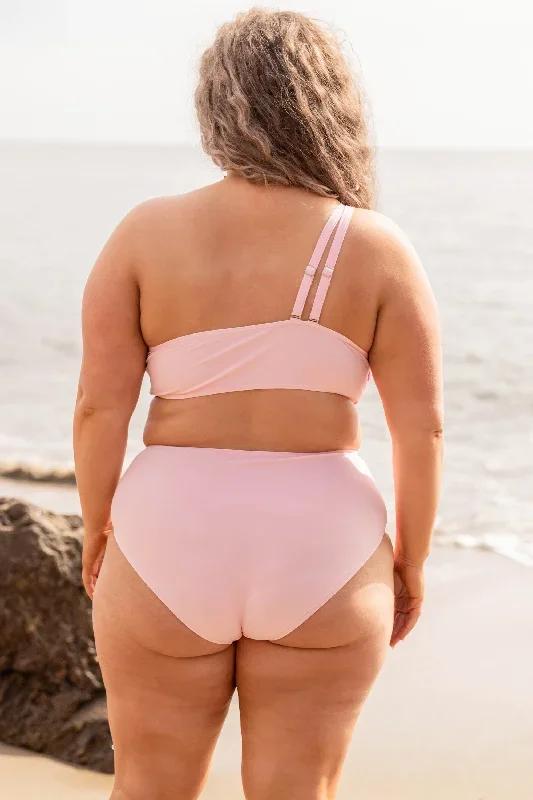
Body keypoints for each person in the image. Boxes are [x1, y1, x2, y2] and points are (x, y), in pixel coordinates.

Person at [73, 8, 443, 800]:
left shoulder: (144, 233)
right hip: (323, 542)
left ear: (215, 105)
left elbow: (99, 412)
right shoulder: (375, 245)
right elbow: (420, 429)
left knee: (150, 784)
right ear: (331, 106)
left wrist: (97, 527)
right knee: (295, 789)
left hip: (169, 526)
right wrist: (411, 557)